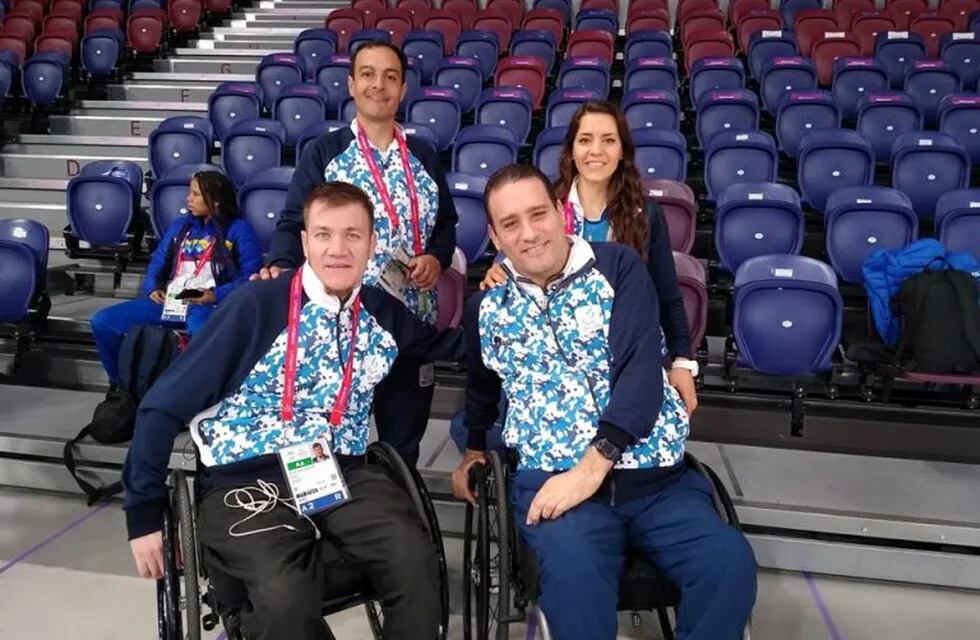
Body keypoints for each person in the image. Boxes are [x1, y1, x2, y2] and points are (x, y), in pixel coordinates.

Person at [124, 182, 463, 640]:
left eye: (352, 235)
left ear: (372, 244)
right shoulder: (258, 305)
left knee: (415, 558)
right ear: (304, 242)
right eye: (323, 234)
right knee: (286, 596)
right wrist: (144, 516)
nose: (338, 249)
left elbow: (451, 345)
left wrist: (508, 298)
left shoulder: (380, 311)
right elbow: (162, 408)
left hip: (339, 470)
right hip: (244, 476)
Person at [452, 166, 756, 640]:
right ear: (494, 235)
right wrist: (473, 450)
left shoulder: (617, 266)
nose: (529, 233)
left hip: (656, 483)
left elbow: (640, 372)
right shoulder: (485, 309)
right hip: (554, 485)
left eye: (538, 214)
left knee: (729, 564)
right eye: (511, 223)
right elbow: (481, 392)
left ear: (560, 212)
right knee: (574, 580)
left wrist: (592, 468)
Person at [257, 41, 458, 466]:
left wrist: (436, 258)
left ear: (403, 89)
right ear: (351, 84)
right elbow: (294, 222)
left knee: (402, 443)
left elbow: (445, 225)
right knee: (329, 440)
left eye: (390, 76)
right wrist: (279, 264)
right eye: (367, 74)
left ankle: (396, 517)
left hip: (410, 319)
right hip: (340, 324)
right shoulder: (324, 153)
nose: (378, 85)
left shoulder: (423, 154)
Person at [481, 101, 699, 414]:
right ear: (571, 150)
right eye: (585, 140)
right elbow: (514, 262)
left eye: (608, 140)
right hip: (552, 356)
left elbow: (667, 297)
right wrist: (498, 273)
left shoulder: (646, 215)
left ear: (622, 151)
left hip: (624, 356)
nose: (596, 150)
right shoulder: (545, 207)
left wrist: (682, 362)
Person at [90, 171, 262, 384]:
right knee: (103, 322)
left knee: (202, 334)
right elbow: (158, 259)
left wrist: (215, 295)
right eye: (190, 193)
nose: (188, 199)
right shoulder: (181, 226)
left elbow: (251, 278)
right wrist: (152, 287)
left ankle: (197, 393)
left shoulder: (239, 230)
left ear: (216, 201)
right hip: (172, 300)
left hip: (207, 305)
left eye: (195, 194)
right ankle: (122, 386)